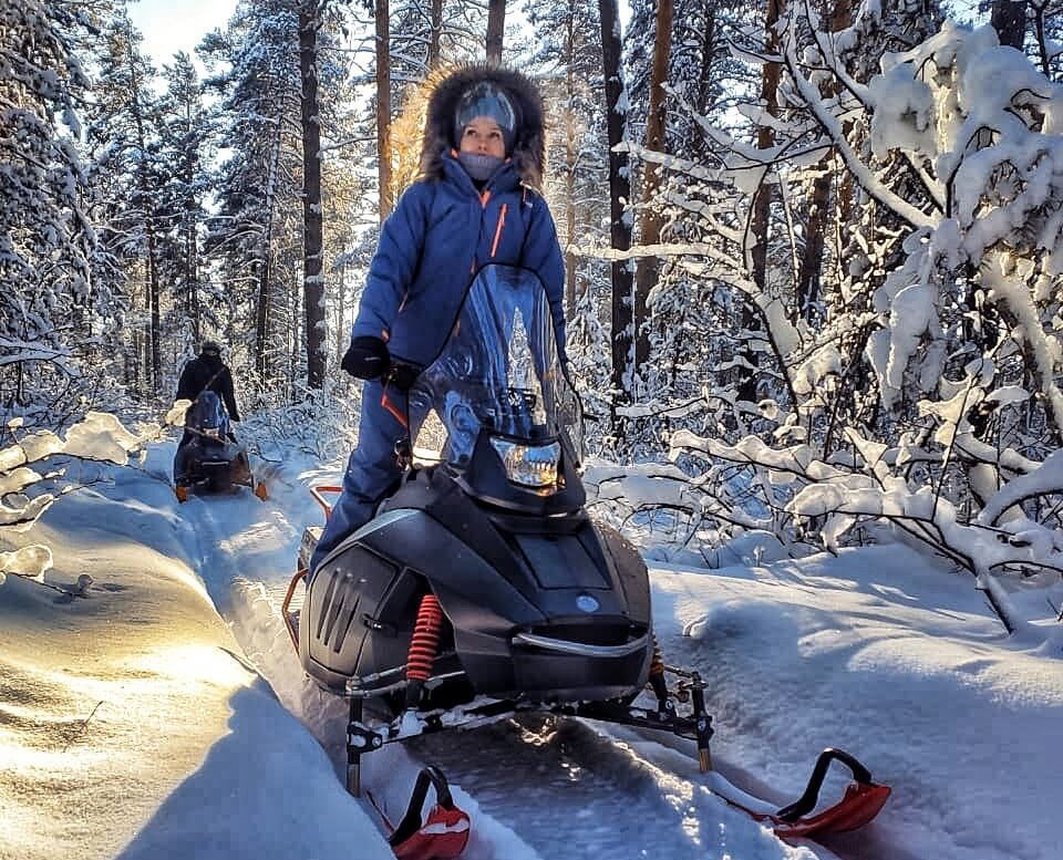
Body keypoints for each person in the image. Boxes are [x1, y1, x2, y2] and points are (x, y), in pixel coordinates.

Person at [309, 65, 566, 574]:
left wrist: (553, 370)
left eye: (495, 135)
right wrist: (369, 336)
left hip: (478, 375)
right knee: (375, 470)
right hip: (402, 366)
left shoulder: (530, 212)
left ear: (513, 142)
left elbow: (549, 295)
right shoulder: (423, 199)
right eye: (473, 131)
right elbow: (389, 269)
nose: (483, 143)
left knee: (492, 481)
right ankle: (326, 575)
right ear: (453, 134)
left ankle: (472, 601)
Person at [175, 340, 241, 448]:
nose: (211, 354)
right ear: (203, 351)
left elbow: (228, 394)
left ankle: (240, 461)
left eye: (213, 351)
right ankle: (180, 464)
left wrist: (233, 413)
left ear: (218, 352)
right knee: (187, 439)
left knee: (230, 438)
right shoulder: (192, 367)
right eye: (208, 351)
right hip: (195, 409)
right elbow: (183, 388)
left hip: (216, 410)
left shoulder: (223, 370)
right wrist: (179, 409)